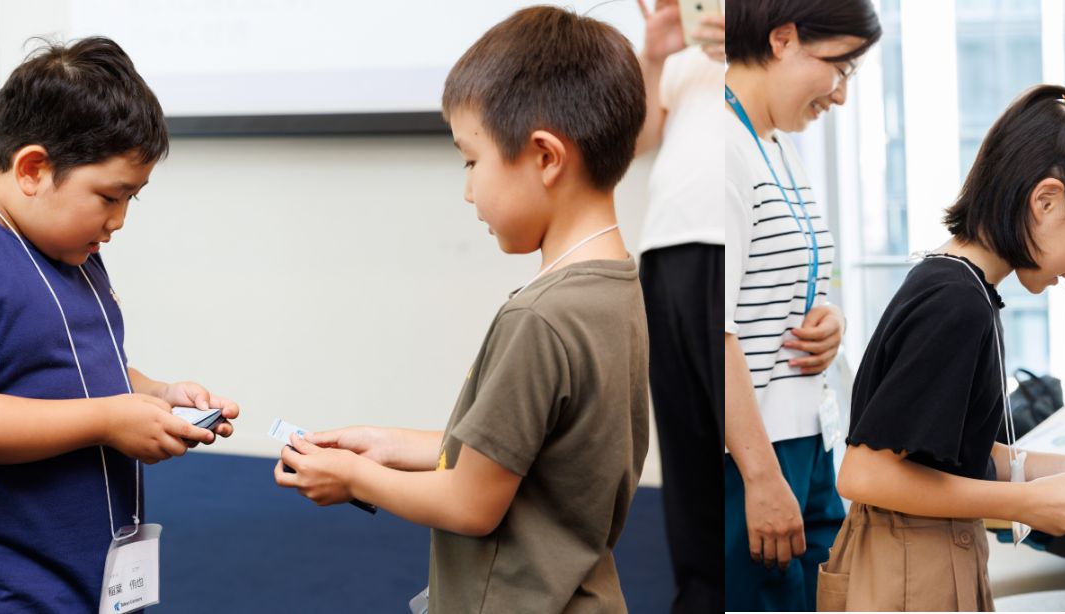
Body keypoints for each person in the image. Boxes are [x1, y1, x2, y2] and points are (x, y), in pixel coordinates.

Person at [269, 7, 651, 613]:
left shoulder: (540, 318)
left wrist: (354, 479)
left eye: (471, 161)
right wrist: (387, 445)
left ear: (546, 157)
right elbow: (525, 457)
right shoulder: (615, 287)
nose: (468, 189)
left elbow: (472, 503)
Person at [0, 36, 242, 611]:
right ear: (32, 168)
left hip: (90, 576)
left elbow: (70, 363)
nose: (120, 220)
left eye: (133, 199)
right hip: (2, 590)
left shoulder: (69, 249)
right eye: (109, 196)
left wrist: (156, 395)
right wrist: (107, 419)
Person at [818, 85, 1065, 612]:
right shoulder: (956, 303)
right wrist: (1026, 503)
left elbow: (951, 451)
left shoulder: (960, 285)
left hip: (922, 556)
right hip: (909, 569)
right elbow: (866, 473)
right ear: (1046, 200)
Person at [713, 0, 881, 609]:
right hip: (752, 454)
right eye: (841, 68)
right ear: (782, 39)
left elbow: (795, 276)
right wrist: (761, 476)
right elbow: (713, 331)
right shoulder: (722, 148)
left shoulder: (775, 143)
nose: (839, 94)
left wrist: (829, 317)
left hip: (806, 438)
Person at [631, 0, 729, 610]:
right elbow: (639, 138)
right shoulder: (687, 45)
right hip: (665, 246)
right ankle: (697, 597)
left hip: (727, 242)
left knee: (736, 439)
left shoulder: (776, 31)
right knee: (686, 442)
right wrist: (654, 55)